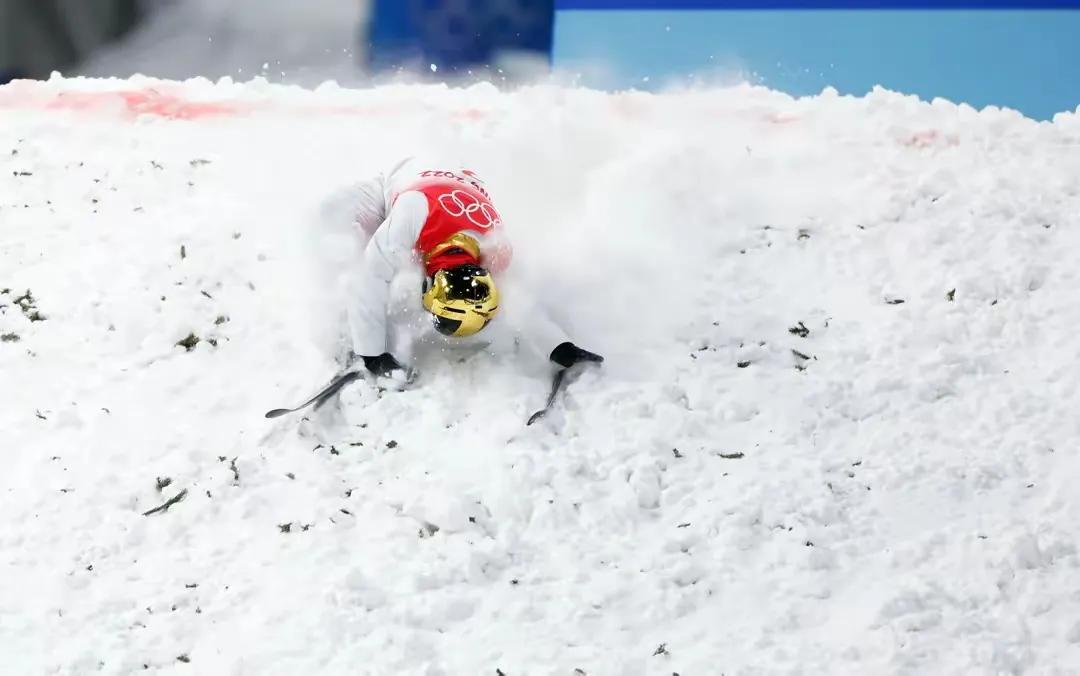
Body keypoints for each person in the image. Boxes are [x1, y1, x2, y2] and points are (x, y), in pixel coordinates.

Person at [336, 159, 603, 379]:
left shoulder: (497, 251)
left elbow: (521, 301)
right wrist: (371, 354)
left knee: (387, 261)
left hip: (457, 178)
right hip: (401, 180)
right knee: (342, 240)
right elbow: (368, 276)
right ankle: (342, 320)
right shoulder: (413, 217)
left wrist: (560, 347)